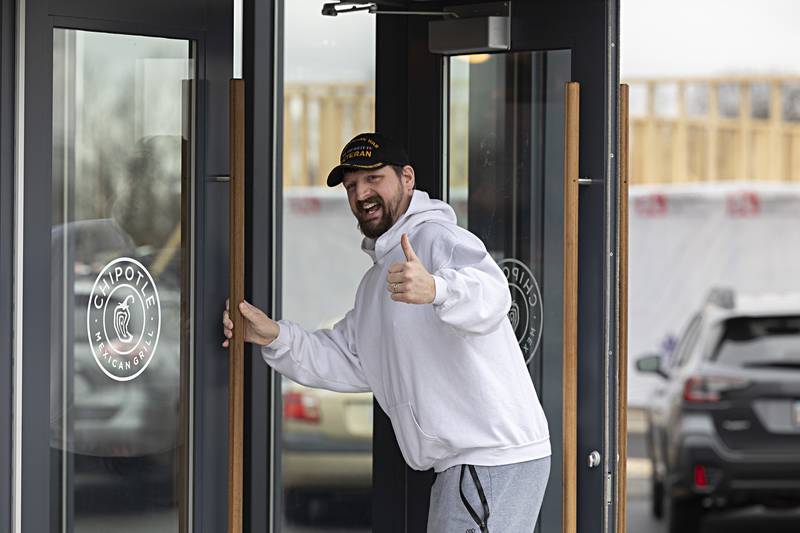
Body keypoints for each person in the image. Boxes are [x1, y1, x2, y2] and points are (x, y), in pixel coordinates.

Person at [222, 132, 551, 532]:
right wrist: (274, 336)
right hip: (467, 464)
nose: (362, 194)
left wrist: (438, 289)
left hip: (491, 458)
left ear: (407, 179)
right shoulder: (377, 281)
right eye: (352, 186)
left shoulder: (437, 238)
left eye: (374, 178)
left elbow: (495, 294)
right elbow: (349, 358)